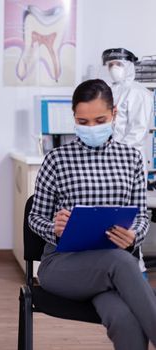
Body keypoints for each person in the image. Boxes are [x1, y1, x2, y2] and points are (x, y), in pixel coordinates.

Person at [29, 79, 156, 350]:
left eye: (99, 120)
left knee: (125, 319)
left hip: (111, 268)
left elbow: (142, 217)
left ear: (114, 114)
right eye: (83, 122)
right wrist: (55, 227)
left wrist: (133, 235)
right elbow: (35, 217)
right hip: (63, 265)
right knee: (121, 262)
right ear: (73, 117)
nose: (91, 128)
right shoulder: (57, 160)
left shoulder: (132, 158)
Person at [102, 48, 154, 277]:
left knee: (128, 223)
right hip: (107, 163)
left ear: (130, 65)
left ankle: (136, 273)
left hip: (127, 164)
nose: (114, 68)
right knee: (108, 222)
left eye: (119, 64)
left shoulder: (139, 92)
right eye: (110, 64)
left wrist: (116, 155)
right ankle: (113, 272)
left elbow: (138, 132)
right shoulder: (109, 92)